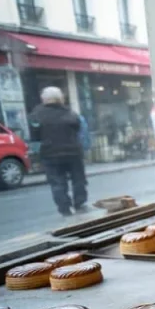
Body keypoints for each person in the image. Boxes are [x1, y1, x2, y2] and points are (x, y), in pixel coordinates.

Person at [29, 86, 88, 216]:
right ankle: (79, 203)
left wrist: (36, 155)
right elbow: (79, 128)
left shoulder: (36, 115)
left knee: (57, 182)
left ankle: (64, 208)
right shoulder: (70, 113)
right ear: (60, 98)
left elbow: (34, 136)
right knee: (78, 179)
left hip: (50, 154)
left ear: (43, 99)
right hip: (73, 152)